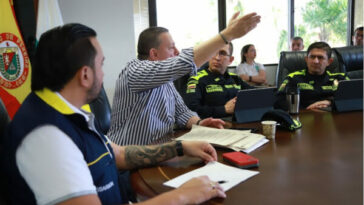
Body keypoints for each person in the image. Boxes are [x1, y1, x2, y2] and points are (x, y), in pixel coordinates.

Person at [1, 23, 227, 205]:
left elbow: (116, 154)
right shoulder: (47, 137)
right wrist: (185, 195)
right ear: (85, 75)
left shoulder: (72, 113)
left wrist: (180, 147)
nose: (104, 73)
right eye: (101, 64)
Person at [108, 12, 261, 145]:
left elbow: (181, 112)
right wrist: (227, 35)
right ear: (154, 54)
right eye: (171, 48)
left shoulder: (164, 80)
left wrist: (200, 122)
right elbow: (183, 63)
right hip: (128, 161)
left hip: (160, 151)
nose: (177, 51)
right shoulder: (134, 71)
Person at [184, 43, 253, 119]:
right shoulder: (196, 79)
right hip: (211, 126)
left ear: (230, 60)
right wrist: (224, 109)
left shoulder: (235, 78)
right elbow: (191, 110)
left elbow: (255, 93)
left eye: (222, 53)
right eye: (213, 52)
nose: (217, 58)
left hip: (239, 122)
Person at [275, 42, 349, 110]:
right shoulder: (293, 78)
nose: (315, 61)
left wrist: (330, 102)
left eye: (320, 58)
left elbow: (354, 97)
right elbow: (278, 101)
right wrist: (306, 110)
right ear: (306, 59)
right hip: (303, 118)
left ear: (329, 62)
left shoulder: (341, 78)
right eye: (312, 57)